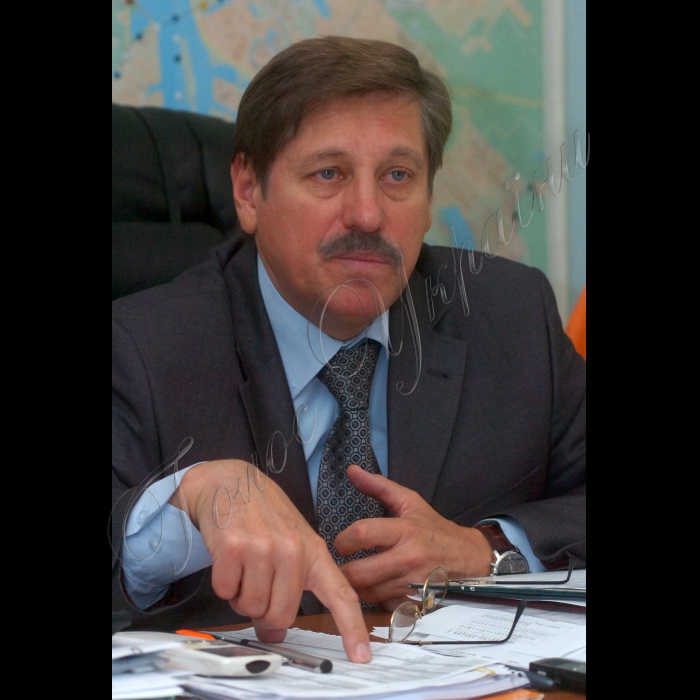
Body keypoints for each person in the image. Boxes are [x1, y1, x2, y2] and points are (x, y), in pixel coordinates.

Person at [112, 37, 585, 664]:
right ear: (249, 191)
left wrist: (486, 550)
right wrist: (193, 496)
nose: (367, 214)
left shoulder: (512, 316)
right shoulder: (143, 346)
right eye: (329, 174)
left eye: (397, 176)